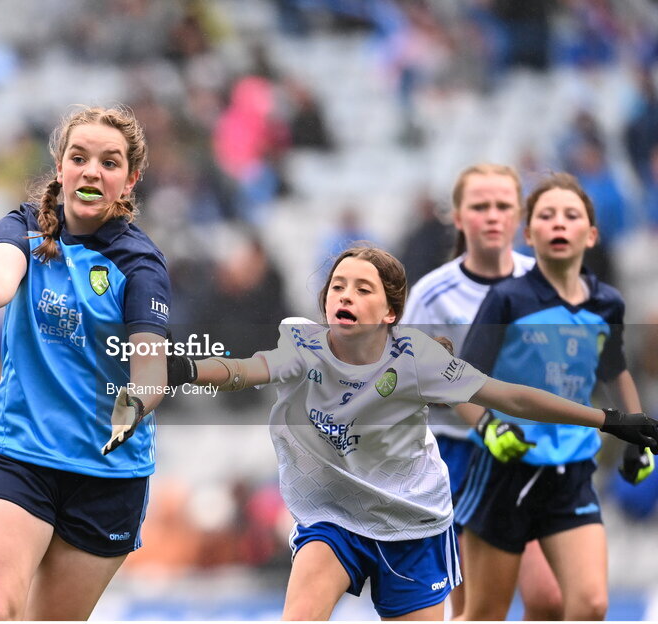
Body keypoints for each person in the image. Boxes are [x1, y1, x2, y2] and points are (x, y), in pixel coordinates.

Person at [158, 245, 658, 621]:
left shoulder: (418, 359)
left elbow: (512, 397)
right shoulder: (302, 346)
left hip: (412, 525)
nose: (345, 295)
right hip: (334, 520)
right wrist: (181, 370)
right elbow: (246, 369)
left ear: (390, 312)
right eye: (338, 286)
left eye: (362, 288)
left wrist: (610, 420)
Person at [0, 105, 171, 620]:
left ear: (131, 178)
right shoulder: (24, 226)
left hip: (108, 475)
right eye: (80, 157)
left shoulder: (140, 264)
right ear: (60, 166)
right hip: (20, 455)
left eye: (110, 162)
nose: (92, 170)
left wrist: (137, 400)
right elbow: (1, 273)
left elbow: (151, 367)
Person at [453, 173, 652, 621]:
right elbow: (459, 382)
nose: (559, 223)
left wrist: (638, 440)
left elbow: (615, 369)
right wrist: (488, 427)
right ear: (529, 234)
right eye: (546, 215)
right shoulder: (507, 300)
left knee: (591, 605)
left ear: (591, 233)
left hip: (572, 471)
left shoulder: (608, 305)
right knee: (484, 613)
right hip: (505, 471)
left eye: (571, 215)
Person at [399, 163, 554, 618]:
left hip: (532, 451)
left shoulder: (543, 283)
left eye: (503, 206)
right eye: (480, 206)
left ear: (520, 216)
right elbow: (416, 378)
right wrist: (484, 422)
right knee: (474, 607)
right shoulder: (432, 293)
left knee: (550, 599)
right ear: (459, 217)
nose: (492, 216)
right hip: (460, 458)